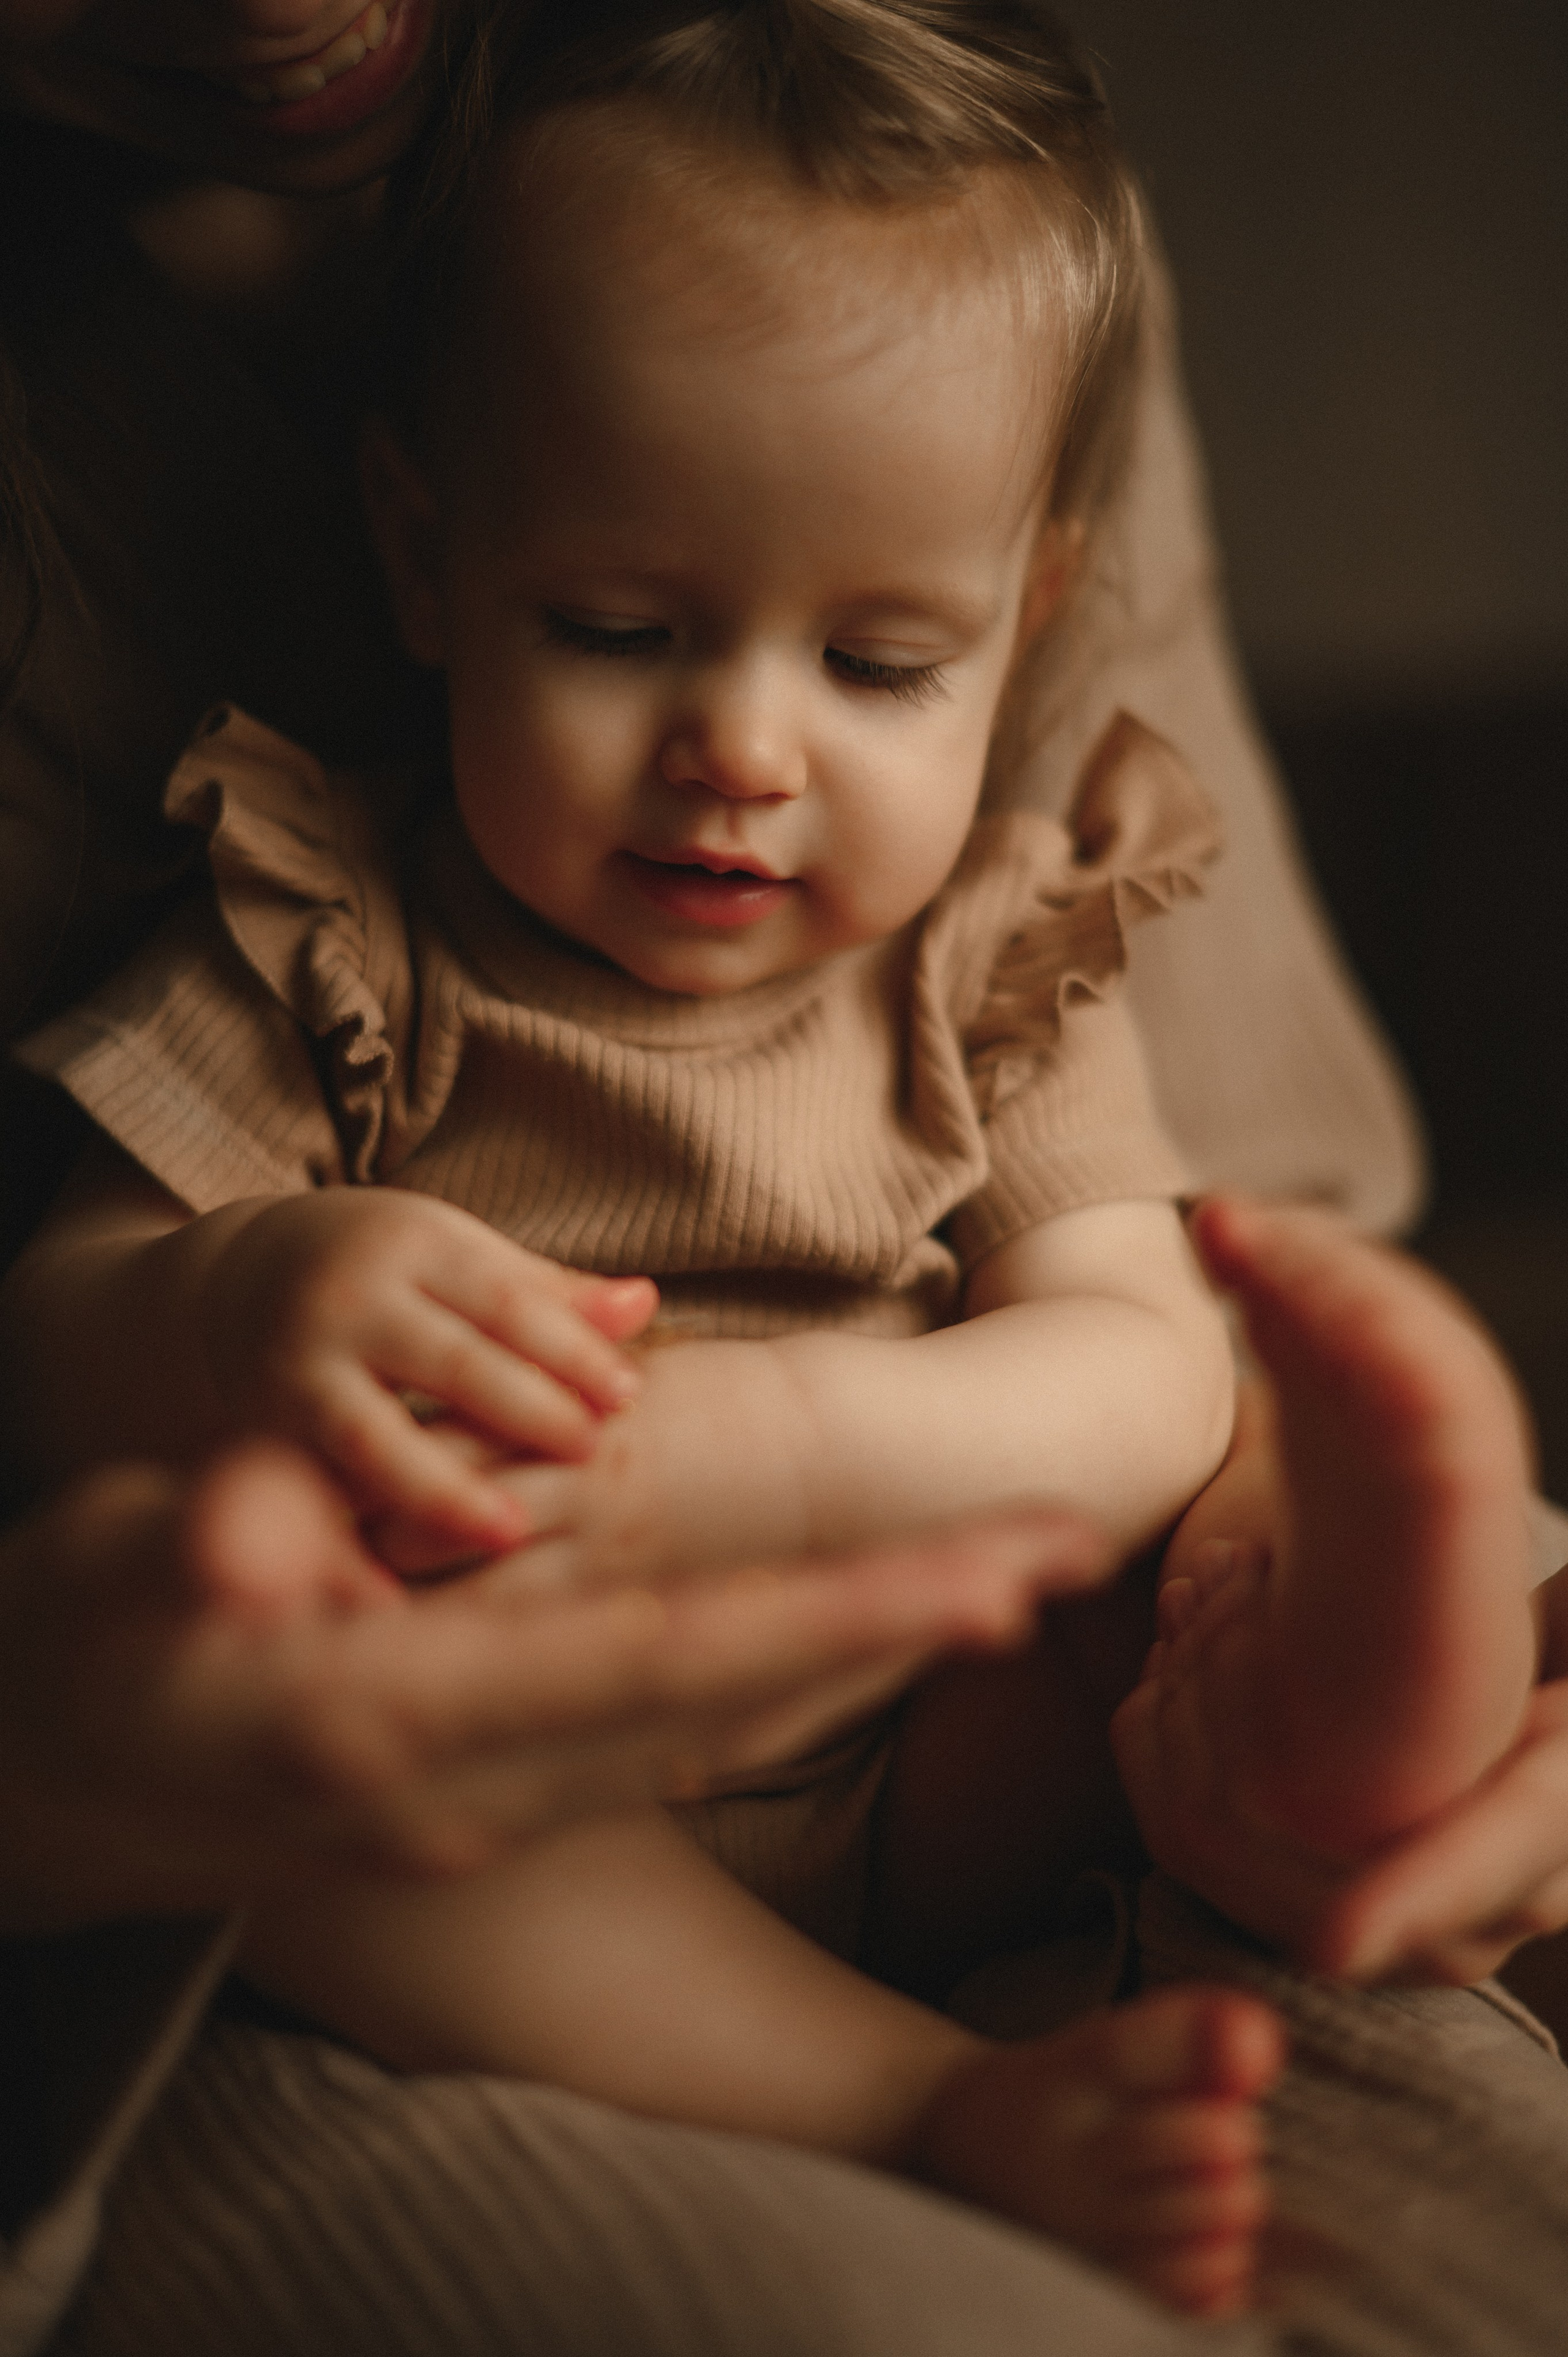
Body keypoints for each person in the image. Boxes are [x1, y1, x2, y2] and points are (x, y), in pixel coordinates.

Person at [4, 2, 1568, 2353]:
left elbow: (1143, 1362)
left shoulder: (980, 963)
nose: (741, 746)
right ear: (427, 556)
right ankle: (908, 2099)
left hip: (940, 1735)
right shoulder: (343, 942)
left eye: (876, 659)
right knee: (332, 1808)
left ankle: (1366, 1687)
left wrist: (771, 1456)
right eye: (620, 631)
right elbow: (58, 1329)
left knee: (1169, 1567)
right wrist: (247, 1303)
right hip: (514, 1798)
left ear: (1024, 624)